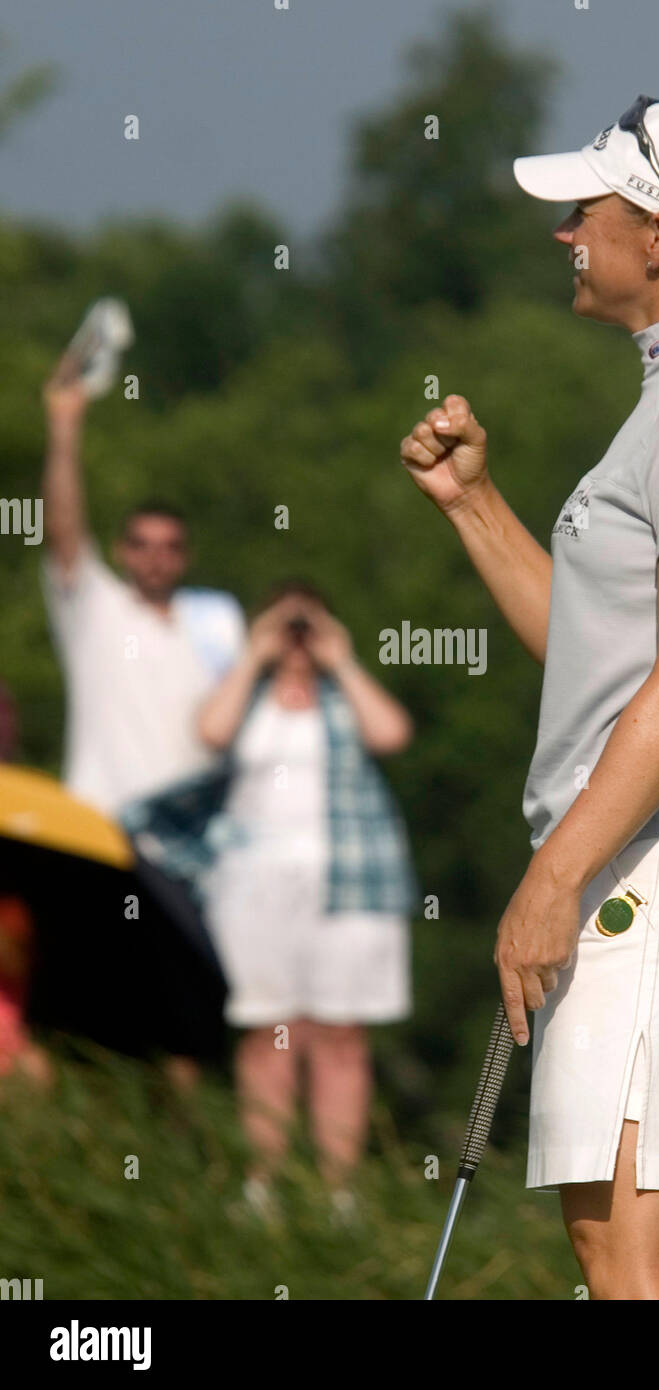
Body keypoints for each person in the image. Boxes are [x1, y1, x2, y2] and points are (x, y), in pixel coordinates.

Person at [401, 97, 659, 1299]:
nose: (562, 234)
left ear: (657, 237)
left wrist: (551, 880)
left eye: (581, 211)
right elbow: (610, 658)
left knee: (626, 1270)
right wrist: (476, 508)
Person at [195, 581, 415, 1216]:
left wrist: (339, 659)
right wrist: (254, 658)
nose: (296, 640)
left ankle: (338, 1191)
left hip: (350, 882)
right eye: (285, 626)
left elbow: (391, 733)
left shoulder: (342, 695)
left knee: (342, 1033)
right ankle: (261, 1185)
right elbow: (210, 732)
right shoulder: (246, 695)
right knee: (269, 1028)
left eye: (306, 626)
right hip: (253, 883)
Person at [40, 362, 246, 817]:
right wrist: (64, 421)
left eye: (170, 547)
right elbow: (63, 527)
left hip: (191, 834)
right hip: (102, 823)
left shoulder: (217, 622)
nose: (155, 557)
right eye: (142, 544)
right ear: (120, 552)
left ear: (186, 557)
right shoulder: (95, 609)